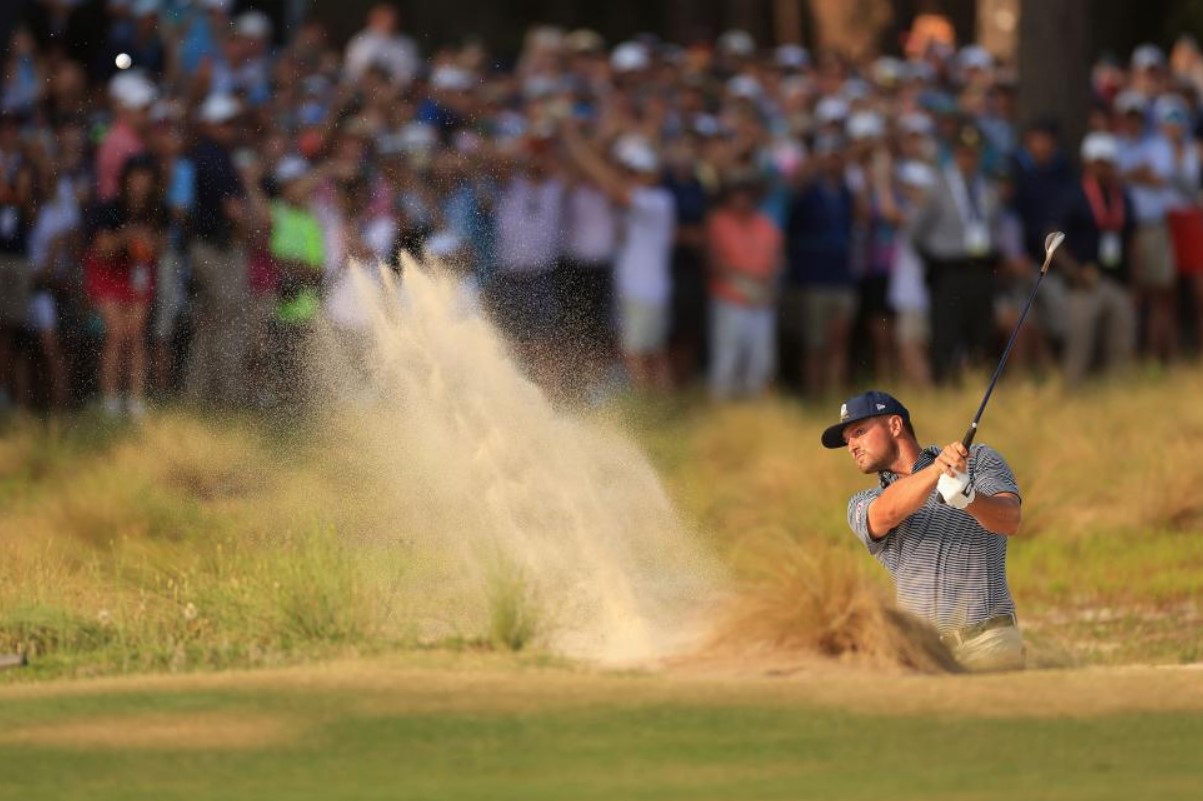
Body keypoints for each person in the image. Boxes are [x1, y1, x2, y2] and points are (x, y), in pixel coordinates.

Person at [822, 390, 1025, 672]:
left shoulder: (978, 460)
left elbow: (1010, 520)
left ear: (894, 426)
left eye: (859, 432)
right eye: (847, 441)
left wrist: (968, 498)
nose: (851, 446)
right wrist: (937, 472)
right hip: (922, 653)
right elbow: (886, 514)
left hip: (989, 641)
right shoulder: (863, 502)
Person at [910, 123, 1004, 383]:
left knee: (981, 336)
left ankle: (976, 389)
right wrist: (935, 258)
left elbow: (995, 228)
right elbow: (915, 232)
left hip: (981, 269)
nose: (968, 159)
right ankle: (945, 388)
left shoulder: (987, 188)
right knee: (946, 337)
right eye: (963, 153)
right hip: (948, 270)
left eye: (973, 153)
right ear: (954, 154)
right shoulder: (937, 187)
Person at [83, 155, 167, 418]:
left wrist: (144, 243)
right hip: (107, 274)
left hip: (138, 274)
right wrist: (127, 237)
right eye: (136, 177)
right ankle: (110, 400)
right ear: (126, 180)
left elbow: (159, 248)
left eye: (146, 178)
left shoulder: (158, 211)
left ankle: (134, 400)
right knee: (116, 334)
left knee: (136, 336)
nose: (141, 183)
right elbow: (101, 249)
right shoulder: (108, 209)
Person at [1056, 132, 1137, 385]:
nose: (1103, 168)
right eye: (1098, 162)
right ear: (1087, 163)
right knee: (1080, 346)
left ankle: (1116, 398)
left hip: (1117, 281)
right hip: (1084, 284)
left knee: (1121, 345)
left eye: (1108, 162)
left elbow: (1133, 238)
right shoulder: (1072, 195)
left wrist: (1135, 281)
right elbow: (1053, 240)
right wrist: (1074, 272)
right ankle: (1073, 397)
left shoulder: (1122, 195)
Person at [705, 171, 783, 401]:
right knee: (727, 361)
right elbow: (713, 262)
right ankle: (721, 415)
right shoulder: (718, 223)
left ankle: (752, 418)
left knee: (761, 363)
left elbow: (776, 263)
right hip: (730, 300)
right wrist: (746, 285)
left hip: (761, 302)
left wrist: (763, 288)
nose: (743, 199)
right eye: (738, 194)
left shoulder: (767, 226)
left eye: (747, 194)